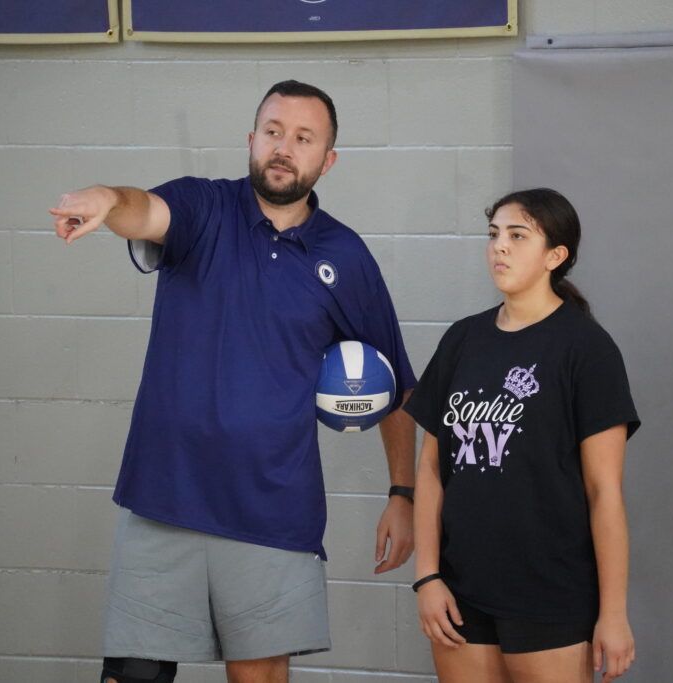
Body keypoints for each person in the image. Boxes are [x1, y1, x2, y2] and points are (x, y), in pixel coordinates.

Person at [49, 80, 417, 683]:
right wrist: (108, 200)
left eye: (303, 138)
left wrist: (403, 494)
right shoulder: (203, 208)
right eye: (273, 131)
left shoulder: (345, 256)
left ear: (327, 160)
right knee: (132, 676)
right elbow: (144, 209)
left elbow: (398, 385)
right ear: (251, 139)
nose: (283, 147)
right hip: (164, 497)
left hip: (272, 512)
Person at [403, 188, 641, 683]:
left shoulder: (587, 349)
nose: (499, 247)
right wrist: (427, 575)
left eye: (517, 236)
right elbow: (430, 469)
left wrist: (613, 613)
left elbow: (604, 492)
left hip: (551, 592)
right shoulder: (462, 339)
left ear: (556, 256)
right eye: (493, 235)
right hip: (461, 590)